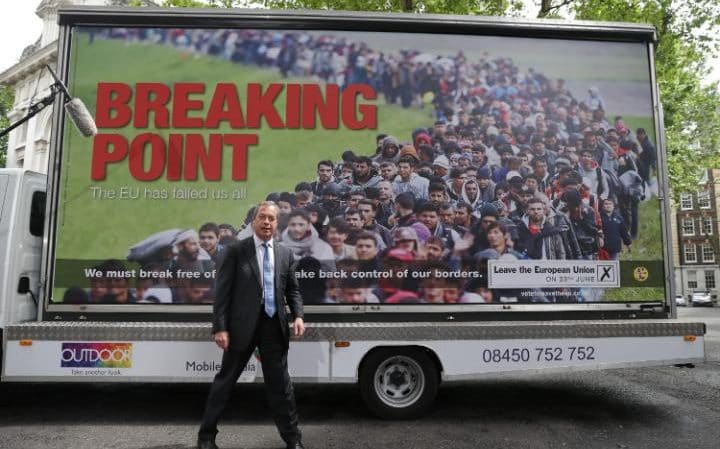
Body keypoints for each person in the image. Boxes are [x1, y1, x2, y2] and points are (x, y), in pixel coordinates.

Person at [197, 201, 306, 449]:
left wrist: (298, 315)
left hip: (273, 329)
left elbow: (293, 291)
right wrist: (220, 327)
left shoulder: (285, 254)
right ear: (254, 221)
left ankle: (293, 440)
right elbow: (222, 293)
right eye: (262, 217)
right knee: (224, 383)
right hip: (240, 330)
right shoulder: (235, 251)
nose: (267, 222)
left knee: (282, 388)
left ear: (277, 224)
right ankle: (206, 437)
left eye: (271, 218)